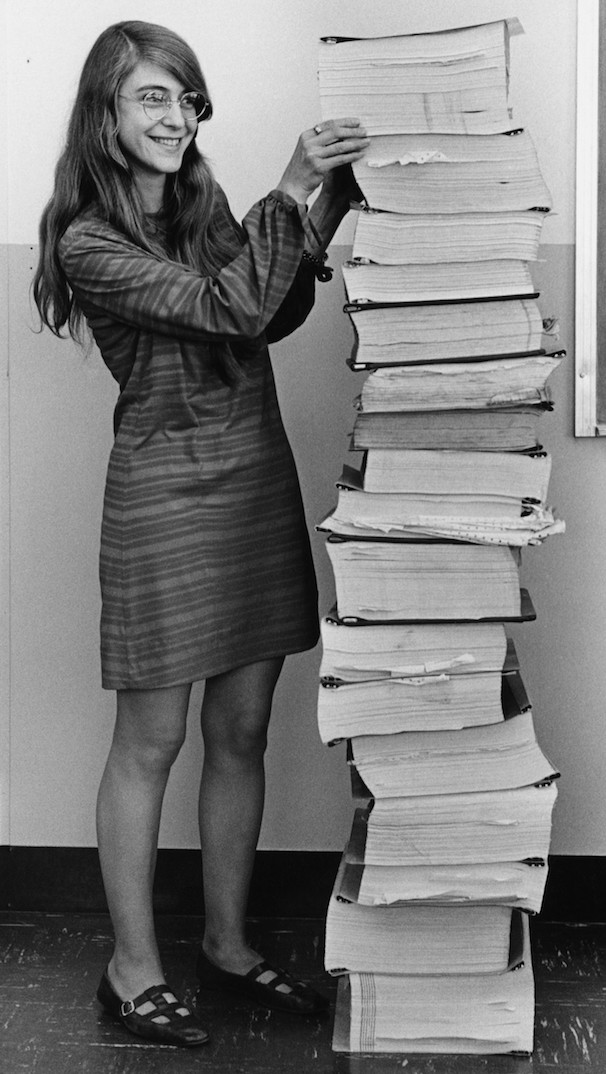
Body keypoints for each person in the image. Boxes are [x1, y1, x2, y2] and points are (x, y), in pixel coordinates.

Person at [33, 19, 369, 1048]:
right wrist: (290, 185)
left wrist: (329, 201)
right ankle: (131, 971)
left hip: (250, 477)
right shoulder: (88, 241)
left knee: (241, 730)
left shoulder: (202, 204)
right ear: (104, 110)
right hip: (163, 495)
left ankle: (226, 944)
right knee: (153, 741)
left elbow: (264, 313)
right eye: (153, 96)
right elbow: (226, 306)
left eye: (186, 98)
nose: (177, 117)